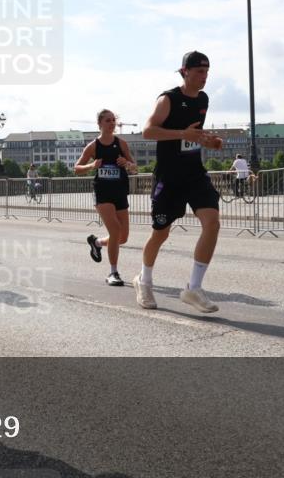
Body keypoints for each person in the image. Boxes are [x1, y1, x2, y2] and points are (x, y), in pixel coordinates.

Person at [136, 50, 224, 313]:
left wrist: (210, 141)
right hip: (169, 176)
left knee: (212, 222)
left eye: (207, 72)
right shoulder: (168, 99)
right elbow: (148, 131)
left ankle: (193, 288)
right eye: (199, 71)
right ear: (184, 71)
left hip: (194, 173)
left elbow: (194, 136)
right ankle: (144, 280)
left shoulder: (203, 99)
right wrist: (182, 133)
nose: (204, 77)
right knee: (160, 233)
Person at [77, 110, 137, 286]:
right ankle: (113, 273)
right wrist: (92, 165)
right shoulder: (93, 146)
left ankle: (96, 242)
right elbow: (77, 168)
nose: (112, 123)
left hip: (120, 191)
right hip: (103, 192)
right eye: (108, 120)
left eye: (114, 120)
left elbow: (135, 168)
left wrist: (127, 163)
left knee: (123, 237)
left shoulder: (122, 144)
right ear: (100, 124)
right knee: (116, 230)